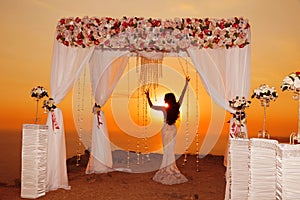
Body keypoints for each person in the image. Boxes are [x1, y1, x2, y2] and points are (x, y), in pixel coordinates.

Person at [145, 76, 190, 185]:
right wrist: (186, 83)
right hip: (173, 129)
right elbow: (183, 95)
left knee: (166, 150)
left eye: (165, 98)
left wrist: (147, 96)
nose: (164, 100)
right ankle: (170, 166)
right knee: (171, 149)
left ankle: (166, 167)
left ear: (167, 100)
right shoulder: (177, 106)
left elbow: (151, 106)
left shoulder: (164, 108)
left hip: (165, 129)